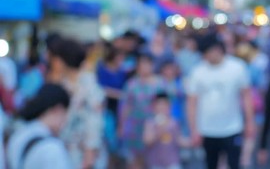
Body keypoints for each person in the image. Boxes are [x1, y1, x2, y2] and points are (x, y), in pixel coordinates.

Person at [186, 33, 255, 169]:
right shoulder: (197, 72)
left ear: (219, 49)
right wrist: (194, 129)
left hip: (233, 127)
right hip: (207, 129)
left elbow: (246, 96)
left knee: (234, 164)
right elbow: (192, 103)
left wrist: (250, 122)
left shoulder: (237, 67)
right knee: (210, 164)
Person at [48, 39, 105, 169]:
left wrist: (88, 158)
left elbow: (94, 123)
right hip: (64, 150)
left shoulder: (89, 86)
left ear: (62, 61)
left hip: (80, 155)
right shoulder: (63, 84)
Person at [7, 83, 71, 169]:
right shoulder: (52, 148)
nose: (65, 121)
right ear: (58, 109)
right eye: (65, 114)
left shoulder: (18, 135)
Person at [119, 53, 162, 169]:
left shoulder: (159, 84)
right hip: (135, 125)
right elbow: (125, 106)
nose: (145, 67)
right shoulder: (131, 84)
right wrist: (122, 125)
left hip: (154, 125)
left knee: (154, 158)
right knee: (134, 159)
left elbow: (165, 105)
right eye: (142, 64)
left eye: (148, 64)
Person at [143, 93, 190, 169]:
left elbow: (179, 140)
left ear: (169, 107)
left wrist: (191, 142)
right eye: (159, 106)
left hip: (172, 162)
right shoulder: (150, 123)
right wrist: (159, 130)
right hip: (156, 163)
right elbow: (147, 141)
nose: (162, 108)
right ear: (154, 108)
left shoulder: (174, 123)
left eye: (164, 106)